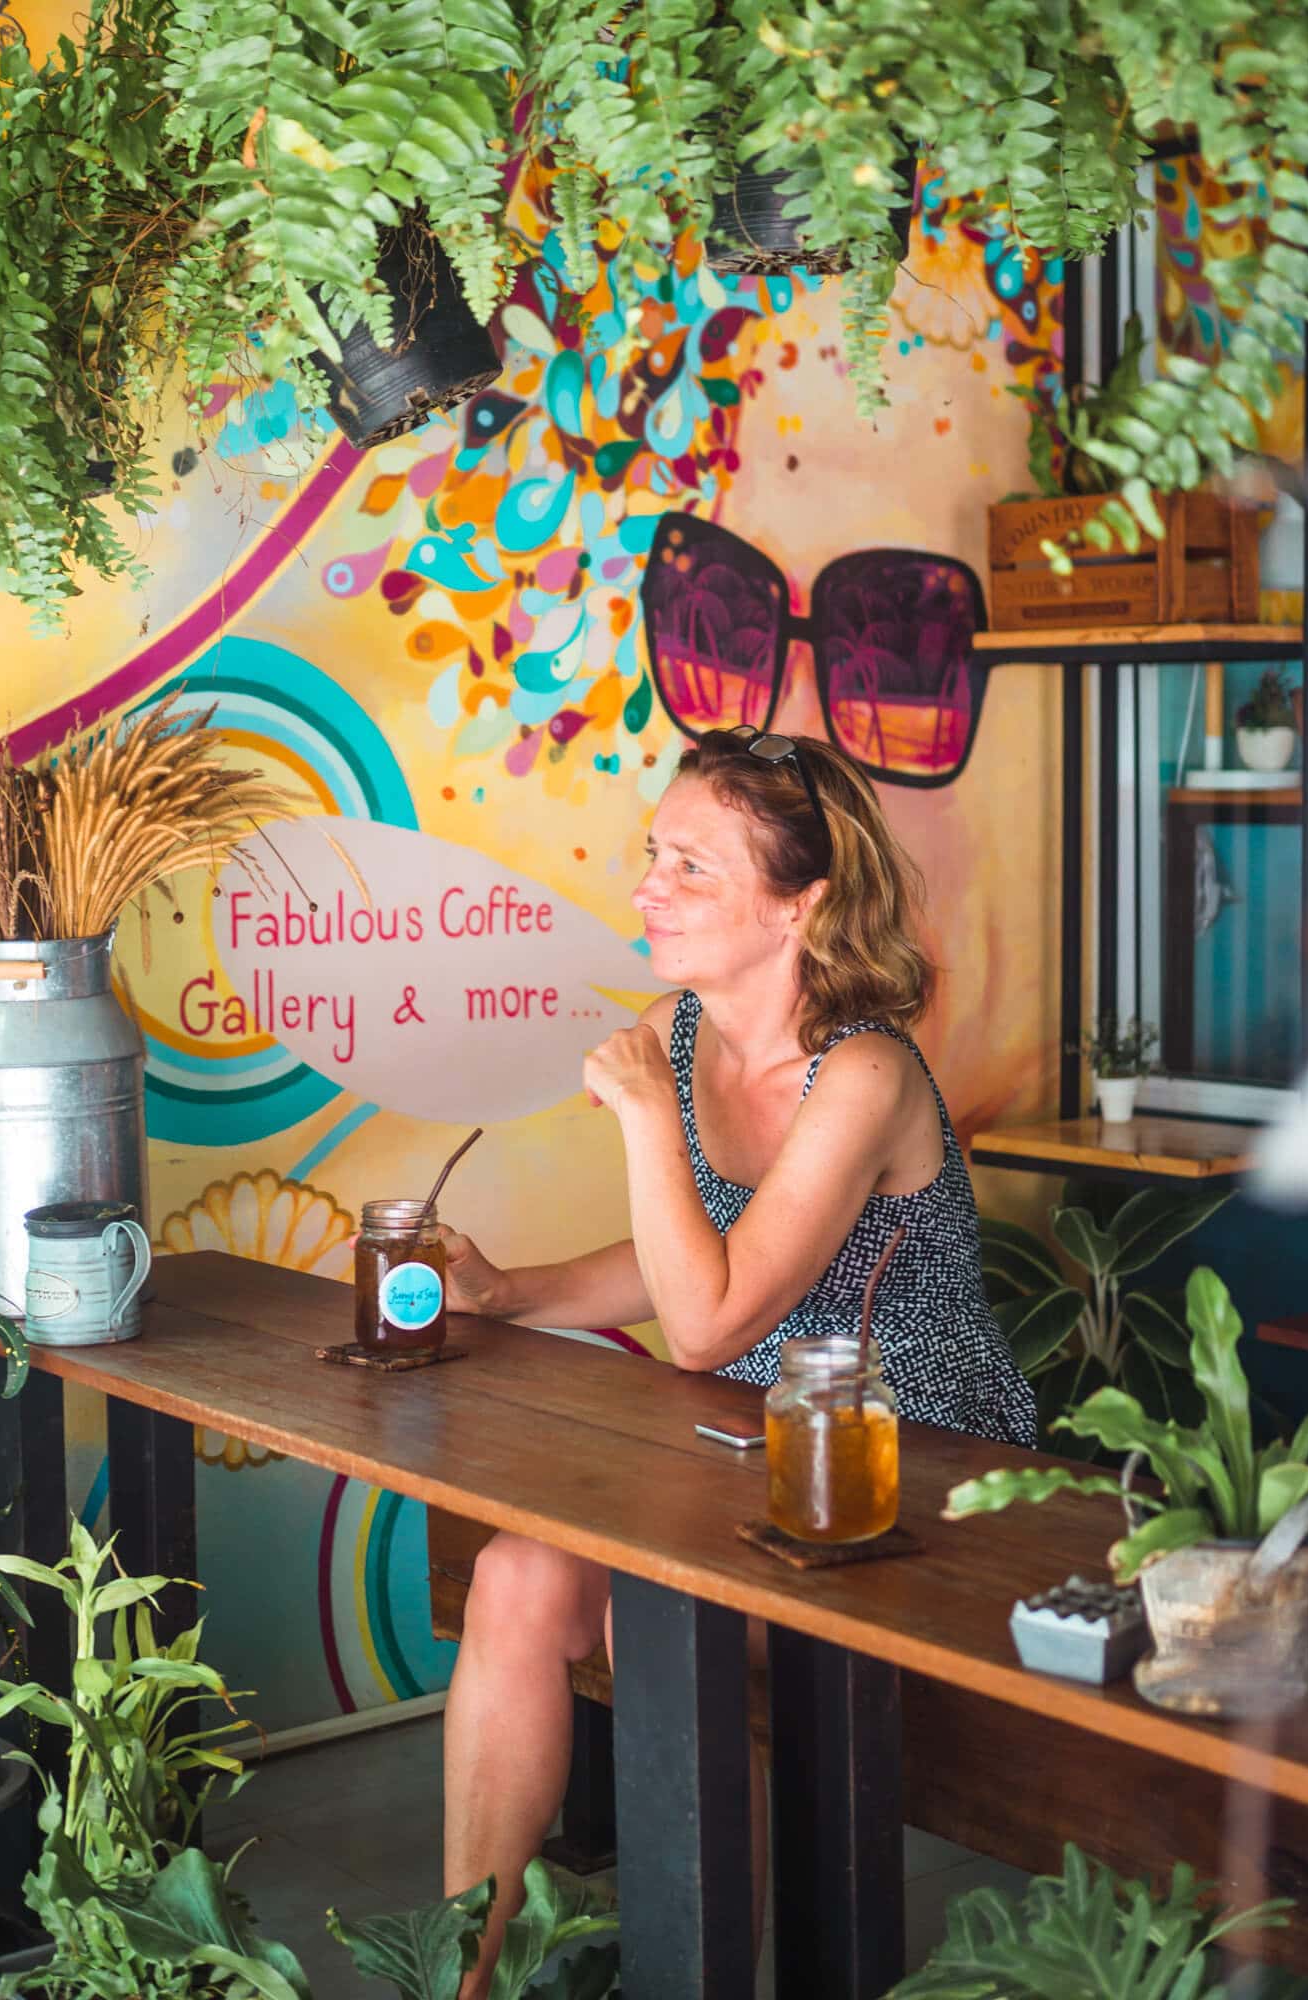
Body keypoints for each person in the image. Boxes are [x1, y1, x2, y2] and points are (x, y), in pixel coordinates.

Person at [438, 726, 1036, 1994]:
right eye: (655, 854)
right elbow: (686, 1260)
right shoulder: (681, 1024)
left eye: (692, 867)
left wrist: (652, 1115)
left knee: (681, 1630)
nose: (647, 886)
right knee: (513, 1575)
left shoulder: (864, 1071)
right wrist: (510, 1290)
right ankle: (461, 1974)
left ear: (800, 902)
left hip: (913, 1475)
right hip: (750, 1453)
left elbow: (704, 1321)